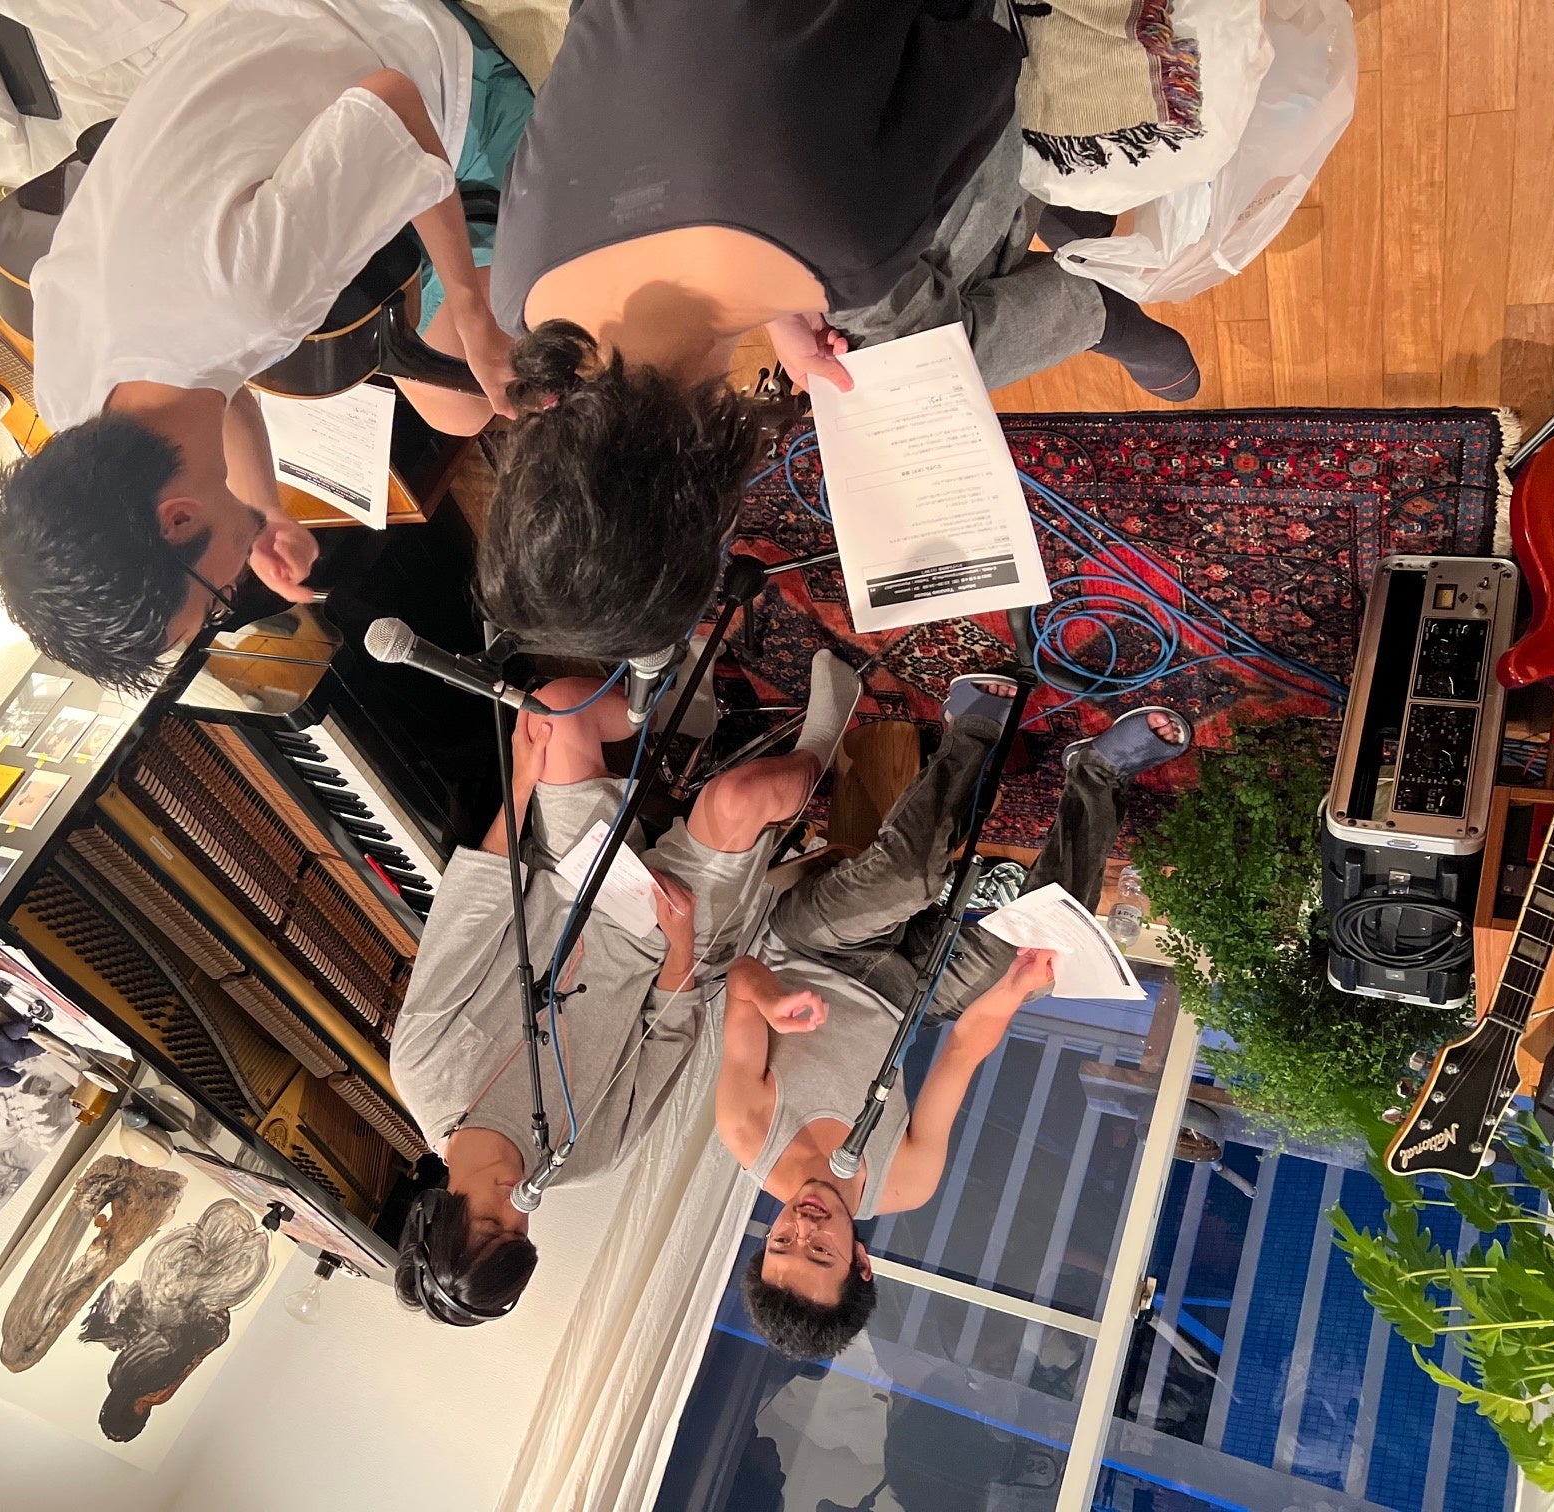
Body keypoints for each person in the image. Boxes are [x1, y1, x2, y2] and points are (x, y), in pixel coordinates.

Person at [477, 0, 1201, 660]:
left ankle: (1087, 293)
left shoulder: (847, 249)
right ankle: (1083, 268)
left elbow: (987, 65)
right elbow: (663, 175)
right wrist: (780, 302)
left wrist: (811, 279)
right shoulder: (520, 289)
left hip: (909, 134)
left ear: (711, 500)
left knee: (896, 335)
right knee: (880, 316)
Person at [0, 0, 533, 694]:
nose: (231, 593)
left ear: (178, 518)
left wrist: (473, 312)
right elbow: (219, 396)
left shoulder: (251, 299)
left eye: (212, 600)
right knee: (456, 408)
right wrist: (265, 509)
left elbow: (396, 102)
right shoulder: (73, 402)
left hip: (404, 53)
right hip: (271, 66)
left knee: (556, 317)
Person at [716, 678, 1193, 1362]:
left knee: (908, 878)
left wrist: (769, 1003)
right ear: (861, 1264)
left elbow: (739, 979)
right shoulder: (903, 1184)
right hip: (910, 1000)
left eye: (782, 1243)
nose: (803, 1226)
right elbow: (964, 1052)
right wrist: (1014, 988)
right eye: (819, 1252)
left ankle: (970, 729)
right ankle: (1097, 773)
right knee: (1041, 954)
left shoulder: (747, 1132)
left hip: (813, 949)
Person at [390, 652, 866, 1325]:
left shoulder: (423, 1070)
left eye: (492, 1220)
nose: (518, 1203)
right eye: (520, 1231)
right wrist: (680, 942)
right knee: (738, 799)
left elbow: (471, 913)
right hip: (665, 941)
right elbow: (669, 1036)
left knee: (556, 710)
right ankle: (822, 745)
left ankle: (683, 712)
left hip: (567, 878)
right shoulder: (587, 1158)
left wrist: (523, 781)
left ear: (437, 1207)